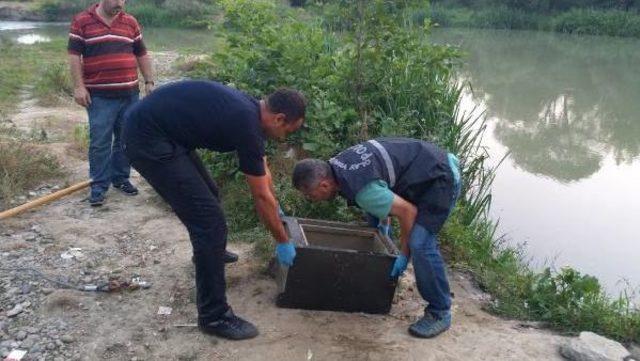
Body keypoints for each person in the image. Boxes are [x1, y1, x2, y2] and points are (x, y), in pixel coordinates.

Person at [122, 80, 305, 340]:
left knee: (210, 195)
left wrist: (276, 205)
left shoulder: (251, 112)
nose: (284, 137)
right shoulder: (248, 124)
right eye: (289, 130)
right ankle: (214, 316)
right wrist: (282, 240)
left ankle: (210, 254)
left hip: (164, 132)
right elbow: (260, 196)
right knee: (209, 223)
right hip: (147, 139)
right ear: (279, 118)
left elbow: (262, 174)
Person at [292, 137, 461, 338]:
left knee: (420, 244)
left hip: (439, 178)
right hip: (424, 167)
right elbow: (378, 183)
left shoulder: (360, 189)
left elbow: (408, 212)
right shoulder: (337, 165)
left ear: (324, 185)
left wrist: (403, 255)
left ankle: (439, 311)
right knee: (375, 225)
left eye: (311, 195)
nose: (312, 201)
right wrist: (382, 223)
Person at [68, 0, 154, 206]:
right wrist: (79, 87)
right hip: (99, 97)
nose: (120, 4)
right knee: (100, 142)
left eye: (123, 0)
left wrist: (149, 81)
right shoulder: (82, 21)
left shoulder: (130, 22)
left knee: (126, 139)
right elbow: (73, 56)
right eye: (115, 0)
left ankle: (121, 178)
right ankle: (98, 185)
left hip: (130, 93)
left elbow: (141, 53)